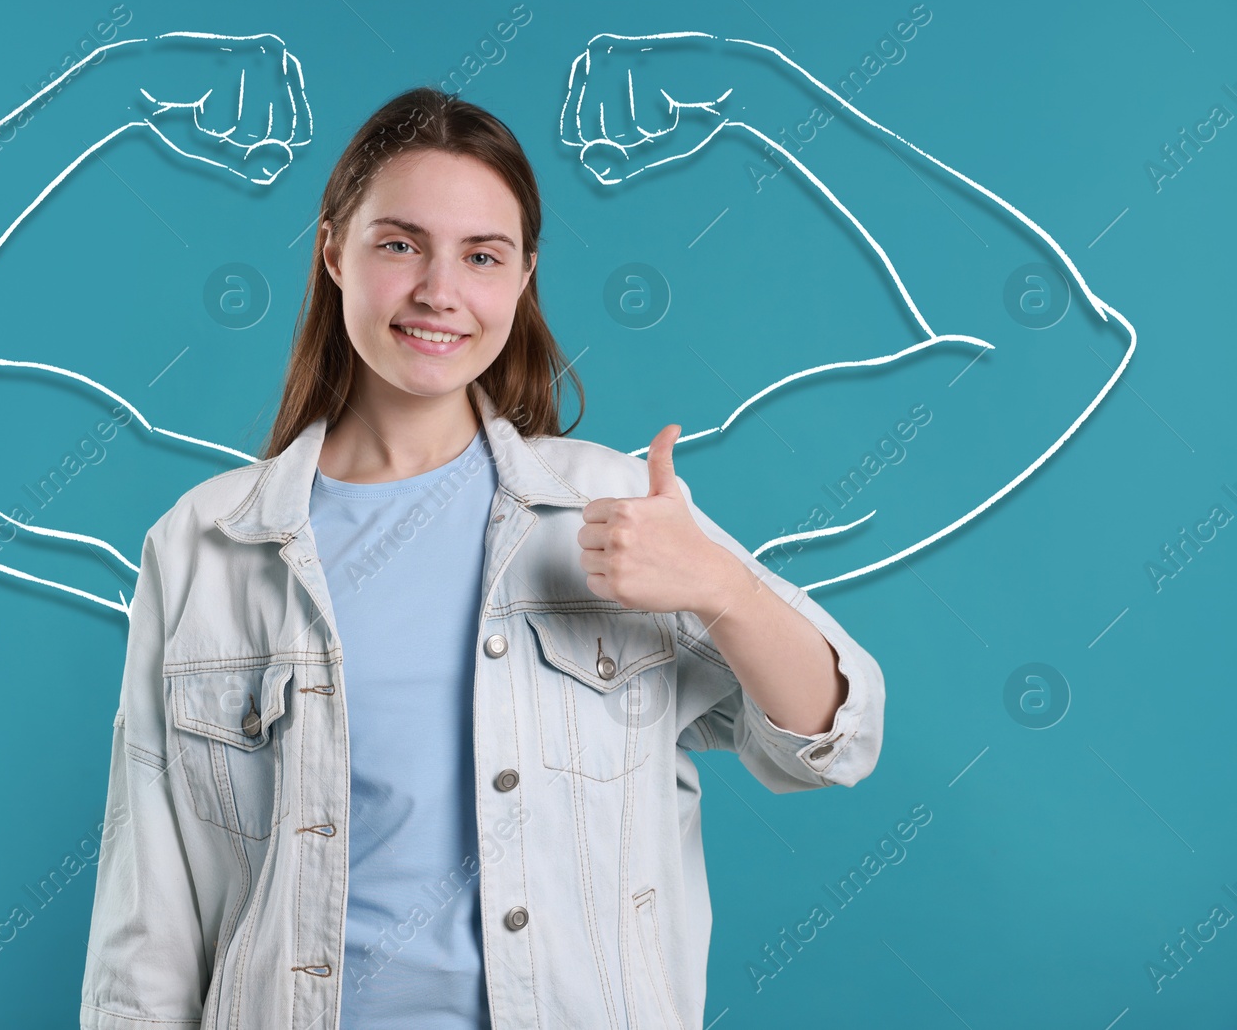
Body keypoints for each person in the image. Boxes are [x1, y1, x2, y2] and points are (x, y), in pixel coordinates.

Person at [80, 86, 884, 1030]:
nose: (438, 290)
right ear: (333, 250)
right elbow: (147, 920)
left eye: (481, 255)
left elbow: (835, 738)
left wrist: (719, 587)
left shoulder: (608, 505)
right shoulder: (203, 546)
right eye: (399, 243)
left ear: (522, 277)